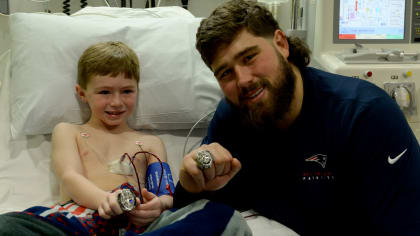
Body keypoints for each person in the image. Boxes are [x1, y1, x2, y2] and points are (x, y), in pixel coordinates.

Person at [173, 0, 420, 235]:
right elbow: (197, 218)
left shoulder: (365, 116)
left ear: (281, 44)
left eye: (249, 57)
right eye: (226, 73)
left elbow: (405, 226)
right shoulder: (232, 118)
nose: (243, 80)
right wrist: (188, 185)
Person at [0, 41, 175, 235]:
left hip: (131, 225)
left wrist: (158, 206)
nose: (116, 102)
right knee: (6, 227)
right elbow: (69, 176)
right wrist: (106, 200)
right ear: (82, 93)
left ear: (137, 90)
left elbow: (166, 194)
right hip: (75, 221)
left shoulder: (151, 143)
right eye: (104, 92)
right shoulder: (68, 132)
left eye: (127, 91)